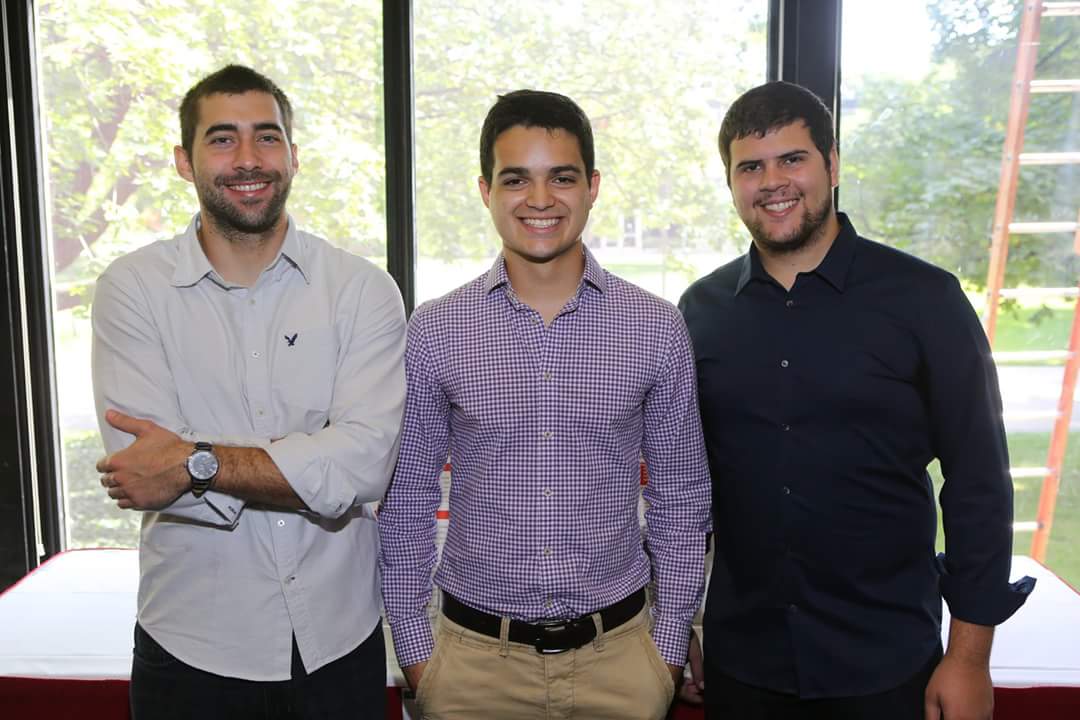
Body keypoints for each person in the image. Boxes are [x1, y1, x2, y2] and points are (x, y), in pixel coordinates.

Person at [678, 80, 1035, 720]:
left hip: (887, 666)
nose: (773, 181)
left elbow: (979, 481)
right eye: (750, 167)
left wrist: (970, 656)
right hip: (743, 667)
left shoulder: (924, 300)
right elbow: (684, 490)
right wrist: (685, 630)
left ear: (832, 163)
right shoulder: (698, 313)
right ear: (730, 182)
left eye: (794, 158)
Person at [378, 89, 711, 719]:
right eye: (516, 179)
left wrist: (664, 653)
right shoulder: (435, 329)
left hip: (621, 665)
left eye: (561, 177)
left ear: (592, 187)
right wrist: (419, 655)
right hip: (472, 668)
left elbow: (682, 497)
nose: (539, 199)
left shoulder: (656, 327)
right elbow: (408, 503)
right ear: (485, 190)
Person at [92, 64, 406, 719]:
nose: (247, 159)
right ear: (185, 161)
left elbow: (362, 465)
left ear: (294, 156)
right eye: (222, 139)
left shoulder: (361, 290)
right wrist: (302, 463)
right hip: (192, 646)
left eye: (266, 137)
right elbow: (143, 468)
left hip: (337, 645)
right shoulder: (132, 290)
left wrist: (195, 462)